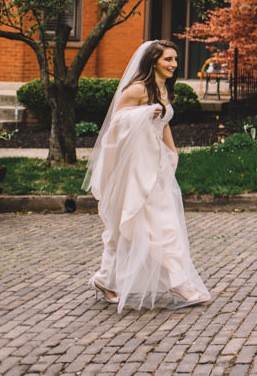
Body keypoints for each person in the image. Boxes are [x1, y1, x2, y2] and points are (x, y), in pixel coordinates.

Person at [83, 40, 210, 312]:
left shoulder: (163, 89)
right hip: (136, 167)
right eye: (168, 59)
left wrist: (172, 153)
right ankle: (180, 282)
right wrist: (143, 113)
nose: (174, 65)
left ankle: (106, 279)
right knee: (154, 221)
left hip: (157, 164)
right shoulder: (137, 89)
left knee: (135, 224)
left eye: (175, 59)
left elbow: (162, 123)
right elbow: (115, 126)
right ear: (153, 61)